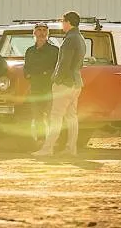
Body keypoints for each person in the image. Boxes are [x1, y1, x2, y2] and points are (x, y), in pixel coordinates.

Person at [32, 11, 87, 157]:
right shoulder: (80, 38)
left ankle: (47, 148)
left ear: (68, 22)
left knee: (55, 116)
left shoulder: (69, 39)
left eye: (62, 21)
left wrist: (56, 79)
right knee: (71, 117)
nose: (61, 23)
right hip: (76, 82)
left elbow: (64, 63)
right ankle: (71, 149)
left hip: (65, 83)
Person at [23, 23, 59, 142]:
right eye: (39, 30)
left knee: (51, 116)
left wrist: (42, 73)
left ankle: (52, 141)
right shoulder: (30, 51)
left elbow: (56, 69)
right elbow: (26, 69)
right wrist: (31, 74)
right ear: (34, 33)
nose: (42, 33)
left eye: (44, 30)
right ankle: (41, 140)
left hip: (50, 89)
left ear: (48, 33)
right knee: (37, 116)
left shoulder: (55, 51)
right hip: (35, 88)